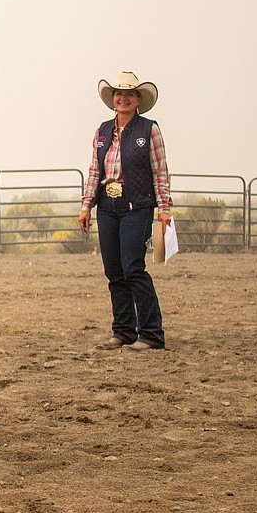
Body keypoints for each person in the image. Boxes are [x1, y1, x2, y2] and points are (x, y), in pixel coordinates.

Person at [78, 71, 171, 350]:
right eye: (119, 94)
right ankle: (123, 330)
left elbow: (160, 171)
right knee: (114, 270)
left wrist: (164, 208)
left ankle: (152, 333)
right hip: (107, 206)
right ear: (112, 99)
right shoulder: (102, 132)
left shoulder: (149, 130)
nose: (123, 98)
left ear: (138, 99)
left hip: (137, 205)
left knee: (133, 267)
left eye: (129, 94)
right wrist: (86, 206)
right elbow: (95, 170)